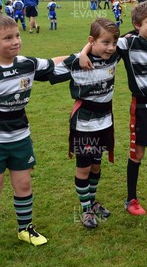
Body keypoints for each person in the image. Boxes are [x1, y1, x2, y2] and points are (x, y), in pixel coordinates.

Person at [0, 14, 65, 254]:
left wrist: (85, 53)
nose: (16, 41)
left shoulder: (27, 64)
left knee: (24, 184)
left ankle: (25, 228)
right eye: (7, 38)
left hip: (20, 136)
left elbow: (53, 62)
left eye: (17, 35)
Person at [80, 2, 147, 215]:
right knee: (138, 153)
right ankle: (130, 199)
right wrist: (83, 52)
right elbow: (106, 42)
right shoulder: (128, 42)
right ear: (136, 25)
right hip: (142, 107)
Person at [49, 19, 120, 229]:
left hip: (105, 122)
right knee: (84, 168)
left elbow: (139, 35)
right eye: (105, 42)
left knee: (97, 165)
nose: (110, 47)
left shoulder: (114, 55)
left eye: (113, 43)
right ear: (92, 41)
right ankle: (86, 209)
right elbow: (50, 64)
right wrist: (81, 54)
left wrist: (86, 49)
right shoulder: (77, 63)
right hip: (84, 125)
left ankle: (93, 201)